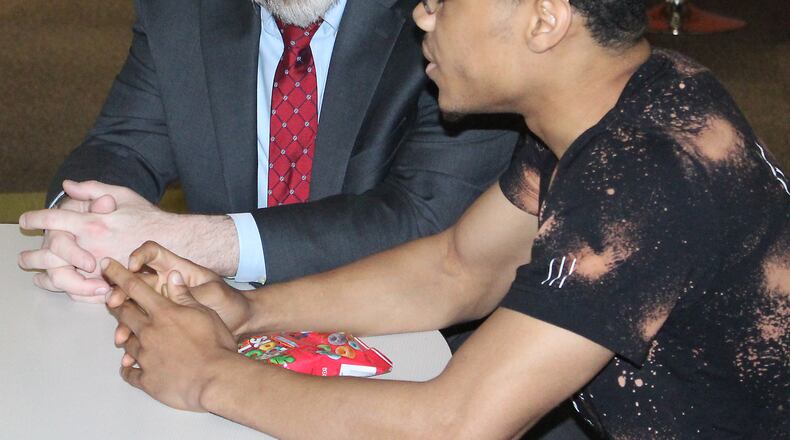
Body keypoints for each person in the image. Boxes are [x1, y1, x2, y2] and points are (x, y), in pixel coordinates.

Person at [101, 0, 787, 437]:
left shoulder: (643, 173)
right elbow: (457, 267)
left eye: (442, 0)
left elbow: (457, 426)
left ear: (543, 20)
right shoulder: (624, 100)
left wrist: (210, 375)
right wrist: (250, 313)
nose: (422, 16)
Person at [15, 0, 520, 303]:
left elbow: (429, 219)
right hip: (215, 330)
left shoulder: (453, 21)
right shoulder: (183, 8)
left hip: (417, 344)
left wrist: (210, 242)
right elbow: (124, 143)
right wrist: (84, 223)